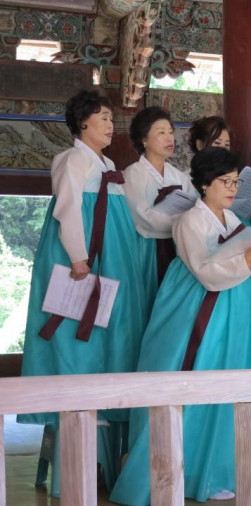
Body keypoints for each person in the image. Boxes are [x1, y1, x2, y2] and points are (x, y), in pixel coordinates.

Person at [110, 148, 251, 505]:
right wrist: (247, 263)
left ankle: (220, 470)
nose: (232, 188)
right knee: (192, 379)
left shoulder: (234, 221)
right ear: (204, 183)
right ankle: (174, 473)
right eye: (225, 181)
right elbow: (205, 273)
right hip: (196, 310)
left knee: (232, 382)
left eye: (236, 182)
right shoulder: (189, 221)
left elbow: (244, 265)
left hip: (237, 310)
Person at [18, 89, 150, 496]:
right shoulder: (71, 159)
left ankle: (109, 458)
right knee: (78, 341)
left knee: (114, 337)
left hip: (115, 255)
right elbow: (68, 209)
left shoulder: (108, 164)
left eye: (111, 118)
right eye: (103, 118)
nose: (110, 125)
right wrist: (77, 256)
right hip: (85, 258)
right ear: (82, 123)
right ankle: (78, 461)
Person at [123, 106, 197, 294]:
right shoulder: (133, 174)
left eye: (171, 132)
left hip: (178, 245)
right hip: (147, 248)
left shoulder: (178, 176)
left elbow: (194, 208)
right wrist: (182, 222)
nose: (169, 138)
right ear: (144, 139)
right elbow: (143, 217)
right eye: (161, 132)